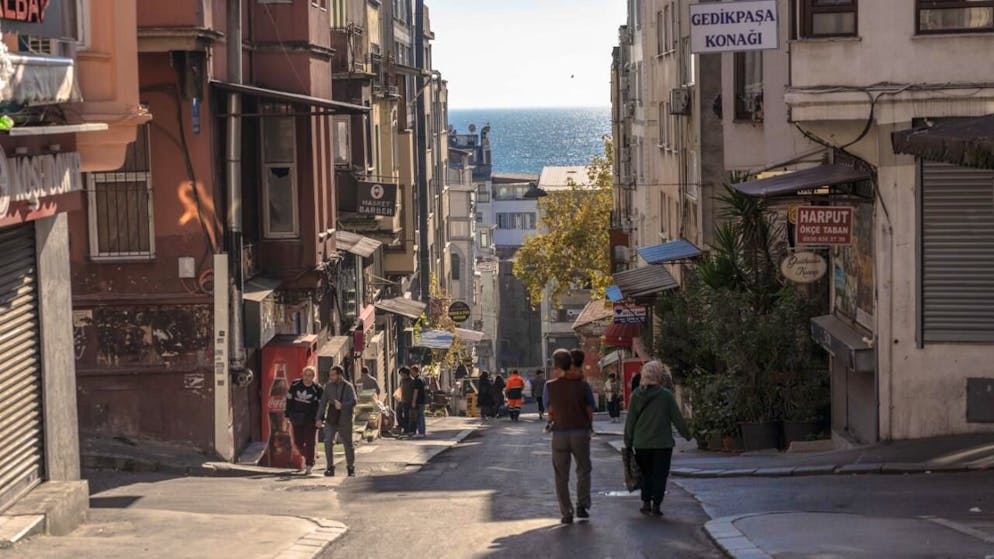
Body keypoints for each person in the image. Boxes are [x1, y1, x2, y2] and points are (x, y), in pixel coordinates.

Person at [624, 361, 691, 516]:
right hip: (663, 443)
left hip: (641, 444)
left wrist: (628, 441)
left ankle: (646, 502)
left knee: (646, 474)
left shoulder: (635, 396)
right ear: (658, 375)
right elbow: (677, 418)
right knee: (660, 475)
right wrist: (687, 435)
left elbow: (630, 421)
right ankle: (657, 505)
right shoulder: (666, 395)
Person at [544, 348, 595, 524]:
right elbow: (591, 407)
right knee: (583, 469)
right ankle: (582, 506)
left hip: (559, 433)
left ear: (557, 365)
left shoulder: (550, 386)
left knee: (561, 475)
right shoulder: (583, 385)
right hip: (580, 432)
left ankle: (566, 512)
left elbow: (547, 406)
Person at [317, 365, 357, 477]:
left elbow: (354, 401)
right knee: (328, 441)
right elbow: (322, 403)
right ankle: (330, 467)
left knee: (348, 444)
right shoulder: (328, 387)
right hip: (331, 419)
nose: (331, 377)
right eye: (330, 375)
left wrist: (343, 405)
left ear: (340, 375)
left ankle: (350, 467)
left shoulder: (348, 387)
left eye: (333, 375)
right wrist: (319, 418)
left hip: (345, 420)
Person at [284, 366, 323, 475]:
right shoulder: (295, 385)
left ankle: (309, 465)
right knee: (298, 442)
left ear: (313, 377)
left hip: (311, 419)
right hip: (297, 418)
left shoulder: (317, 389)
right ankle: (310, 456)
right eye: (305, 375)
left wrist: (320, 419)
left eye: (310, 375)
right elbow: (289, 400)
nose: (307, 377)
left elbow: (322, 406)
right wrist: (287, 414)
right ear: (302, 375)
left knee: (310, 442)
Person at [410, 366, 427, 438]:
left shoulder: (417, 380)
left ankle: (421, 432)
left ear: (415, 371)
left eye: (412, 371)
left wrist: (413, 401)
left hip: (418, 400)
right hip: (423, 400)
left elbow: (416, 391)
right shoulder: (422, 379)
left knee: (419, 416)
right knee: (421, 416)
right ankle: (422, 431)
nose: (411, 373)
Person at [396, 367, 413, 436]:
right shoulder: (402, 380)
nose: (401, 375)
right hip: (402, 399)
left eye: (402, 374)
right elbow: (400, 388)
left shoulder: (411, 381)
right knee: (398, 412)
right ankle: (402, 426)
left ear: (406, 374)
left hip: (409, 401)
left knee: (407, 416)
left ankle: (407, 430)